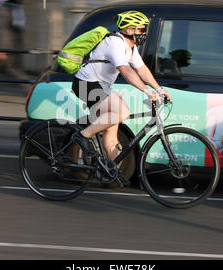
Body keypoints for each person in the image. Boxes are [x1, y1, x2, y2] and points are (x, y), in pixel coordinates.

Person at [71, 10, 172, 163]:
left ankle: (114, 171)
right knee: (122, 112)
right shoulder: (115, 43)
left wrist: (158, 89)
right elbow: (125, 70)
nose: (144, 33)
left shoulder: (130, 47)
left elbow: (141, 69)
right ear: (129, 29)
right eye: (141, 29)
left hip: (100, 86)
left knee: (112, 129)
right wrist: (146, 91)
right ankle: (82, 136)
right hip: (86, 84)